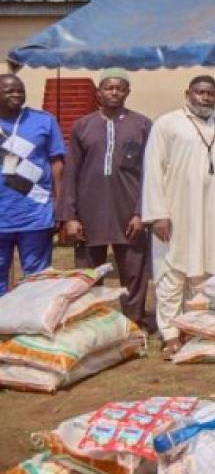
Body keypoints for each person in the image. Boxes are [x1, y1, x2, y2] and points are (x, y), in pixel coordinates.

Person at [142, 75, 215, 357]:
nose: (205, 98)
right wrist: (157, 214)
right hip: (176, 212)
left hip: (214, 213)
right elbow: (153, 170)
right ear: (188, 94)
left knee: (205, 274)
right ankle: (169, 333)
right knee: (172, 274)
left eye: (210, 93)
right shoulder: (167, 123)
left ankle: (195, 329)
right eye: (199, 92)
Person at [58, 69, 152, 326]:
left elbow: (149, 173)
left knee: (134, 270)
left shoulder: (142, 125)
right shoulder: (83, 125)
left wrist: (141, 212)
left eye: (119, 88)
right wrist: (70, 216)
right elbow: (71, 173)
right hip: (90, 213)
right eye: (109, 88)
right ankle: (91, 321)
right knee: (88, 272)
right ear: (98, 92)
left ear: (127, 92)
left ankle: (133, 321)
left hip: (128, 211)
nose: (114, 92)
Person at [0, 74, 65, 295]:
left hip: (36, 213)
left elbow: (57, 163)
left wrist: (59, 200)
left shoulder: (44, 120)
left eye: (20, 89)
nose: (16, 94)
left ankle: (31, 326)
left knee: (37, 278)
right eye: (9, 90)